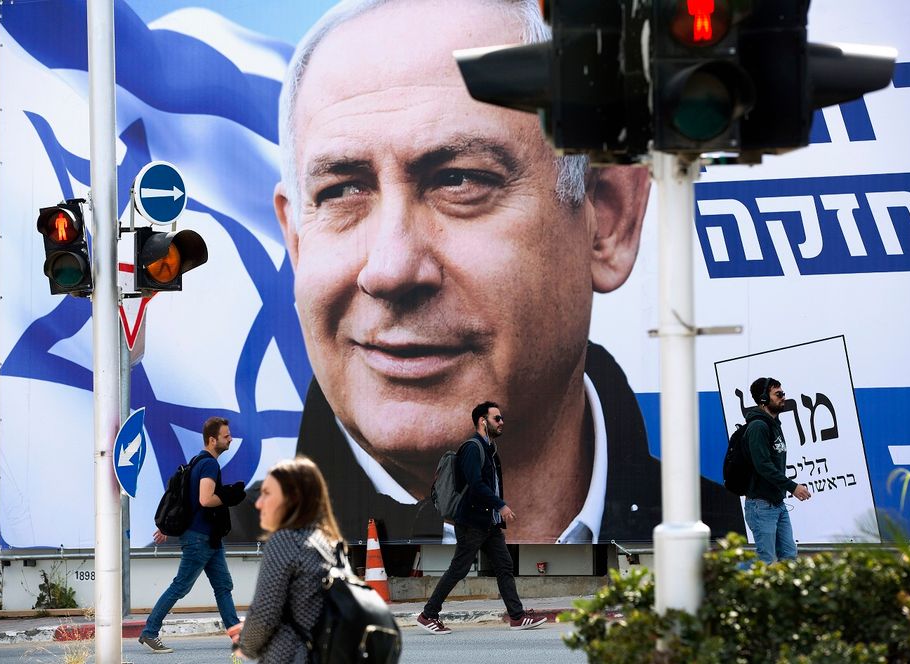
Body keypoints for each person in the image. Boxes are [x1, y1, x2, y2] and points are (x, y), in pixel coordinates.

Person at [248, 0, 744, 546]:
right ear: (296, 242)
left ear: (608, 218)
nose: (389, 269)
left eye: (459, 180)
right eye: (341, 191)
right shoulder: (204, 566)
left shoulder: (746, 564)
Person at [417, 402, 547, 634]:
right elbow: (476, 485)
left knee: (504, 566)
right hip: (471, 523)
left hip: (489, 523)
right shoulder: (472, 448)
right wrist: (500, 505)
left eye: (502, 418)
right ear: (482, 421)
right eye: (497, 418)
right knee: (459, 569)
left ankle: (516, 617)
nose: (502, 422)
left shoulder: (489, 449)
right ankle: (428, 615)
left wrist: (496, 512)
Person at [138, 416, 247, 653]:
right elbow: (205, 499)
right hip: (200, 539)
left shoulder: (196, 461)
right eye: (226, 436)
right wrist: (229, 496)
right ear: (212, 439)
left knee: (223, 585)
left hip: (208, 538)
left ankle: (238, 636)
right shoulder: (208, 464)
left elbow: (186, 503)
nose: (230, 439)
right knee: (180, 586)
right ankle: (149, 632)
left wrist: (167, 528)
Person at [229, 456, 344, 663]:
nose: (258, 503)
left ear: (291, 498)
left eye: (266, 493)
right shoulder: (327, 541)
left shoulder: (286, 540)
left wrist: (245, 645)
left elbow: (265, 613)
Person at [743, 377, 812, 563]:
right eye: (778, 394)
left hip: (777, 503)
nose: (783, 397)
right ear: (764, 398)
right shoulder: (758, 426)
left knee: (789, 555)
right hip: (761, 505)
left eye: (783, 393)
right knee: (766, 560)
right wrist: (793, 486)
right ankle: (731, 583)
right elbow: (763, 465)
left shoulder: (774, 425)